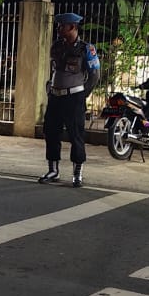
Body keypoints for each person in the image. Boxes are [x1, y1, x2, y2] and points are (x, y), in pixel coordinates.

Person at [38, 12, 100, 187]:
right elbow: (54, 69)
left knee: (76, 135)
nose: (59, 29)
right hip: (56, 97)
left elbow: (94, 75)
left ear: (72, 27)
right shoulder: (57, 46)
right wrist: (50, 87)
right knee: (51, 132)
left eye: (62, 26)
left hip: (74, 97)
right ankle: (53, 169)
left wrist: (82, 95)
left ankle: (77, 172)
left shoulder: (86, 49)